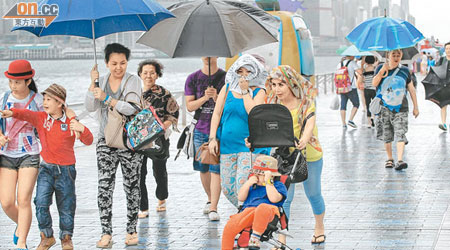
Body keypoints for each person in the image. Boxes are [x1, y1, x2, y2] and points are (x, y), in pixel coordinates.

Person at [1, 84, 93, 250]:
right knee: (41, 202)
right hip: (46, 169)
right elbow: (26, 114)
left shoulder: (71, 122)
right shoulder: (42, 118)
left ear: (59, 103)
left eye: (48, 99)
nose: (44, 102)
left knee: (66, 206)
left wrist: (82, 129)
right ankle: (46, 237)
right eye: (43, 99)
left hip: (66, 171)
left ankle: (66, 238)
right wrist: (12, 113)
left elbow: (88, 140)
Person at [85, 43, 143, 247]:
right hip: (105, 141)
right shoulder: (100, 81)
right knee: (104, 186)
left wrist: (108, 99)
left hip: (130, 142)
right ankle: (106, 232)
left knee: (132, 186)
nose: (119, 67)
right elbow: (90, 106)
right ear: (106, 63)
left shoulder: (133, 80)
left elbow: (132, 109)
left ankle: (131, 229)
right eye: (114, 63)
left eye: (123, 63)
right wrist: (93, 83)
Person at [265, 65, 326, 245]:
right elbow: (265, 128)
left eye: (281, 85)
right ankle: (282, 239)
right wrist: (253, 140)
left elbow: (309, 122)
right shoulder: (274, 105)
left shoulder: (306, 102)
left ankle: (319, 227)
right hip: (283, 158)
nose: (277, 89)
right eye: (274, 84)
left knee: (313, 194)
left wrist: (304, 139)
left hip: (309, 155)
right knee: (285, 198)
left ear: (291, 84)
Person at [208, 54, 269, 208]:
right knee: (228, 189)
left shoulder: (259, 91)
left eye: (247, 71)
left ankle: (245, 218)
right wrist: (212, 138)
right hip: (227, 146)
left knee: (242, 186)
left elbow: (253, 112)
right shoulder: (227, 87)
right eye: (240, 71)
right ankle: (246, 211)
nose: (243, 75)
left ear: (255, 72)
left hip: (249, 147)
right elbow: (216, 113)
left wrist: (245, 91)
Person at [0, 60, 43, 250]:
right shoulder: (3, 98)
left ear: (28, 81)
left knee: (23, 199)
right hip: (6, 155)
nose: (13, 86)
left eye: (17, 82)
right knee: (7, 202)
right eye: (10, 81)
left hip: (30, 153)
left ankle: (22, 243)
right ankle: (22, 226)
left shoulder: (39, 100)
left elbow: (45, 125)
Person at [184, 57, 226, 221]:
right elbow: (189, 106)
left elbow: (227, 105)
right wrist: (204, 97)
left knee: (216, 169)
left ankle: (214, 206)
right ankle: (210, 199)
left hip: (219, 130)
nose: (208, 56)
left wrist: (216, 97)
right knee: (203, 168)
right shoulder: (193, 78)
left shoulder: (225, 77)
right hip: (200, 128)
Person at [137, 60, 179, 218]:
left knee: (159, 171)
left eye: (152, 73)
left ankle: (161, 198)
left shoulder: (164, 93)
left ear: (157, 75)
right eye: (145, 72)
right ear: (140, 74)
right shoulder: (134, 93)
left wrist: (163, 126)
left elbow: (174, 113)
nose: (148, 76)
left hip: (159, 138)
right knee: (139, 173)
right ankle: (143, 208)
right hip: (139, 140)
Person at [221, 155, 287, 250]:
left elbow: (274, 199)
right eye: (254, 173)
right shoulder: (253, 186)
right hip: (248, 213)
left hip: (268, 213)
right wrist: (248, 183)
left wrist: (268, 182)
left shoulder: (278, 185)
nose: (255, 176)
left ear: (270, 175)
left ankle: (255, 238)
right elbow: (241, 198)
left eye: (259, 174)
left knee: (262, 207)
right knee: (230, 225)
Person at [373, 49, 419, 170]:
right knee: (387, 134)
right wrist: (382, 72)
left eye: (399, 55)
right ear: (388, 55)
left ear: (402, 56)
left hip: (401, 108)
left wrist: (416, 106)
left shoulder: (405, 71)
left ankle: (400, 160)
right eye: (394, 54)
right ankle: (389, 158)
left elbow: (411, 89)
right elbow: (374, 83)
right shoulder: (380, 68)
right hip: (384, 108)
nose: (396, 57)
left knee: (401, 133)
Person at [337, 56, 360, 128]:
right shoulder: (352, 63)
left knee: (343, 105)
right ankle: (350, 120)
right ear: (351, 56)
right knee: (356, 104)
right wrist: (359, 65)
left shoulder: (339, 64)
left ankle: (343, 124)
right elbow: (360, 72)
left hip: (341, 88)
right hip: (351, 88)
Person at [358, 56, 377, 127]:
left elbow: (362, 80)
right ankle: (374, 118)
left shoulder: (364, 70)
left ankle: (369, 123)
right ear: (373, 61)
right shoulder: (375, 69)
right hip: (374, 89)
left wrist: (362, 65)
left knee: (368, 105)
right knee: (375, 105)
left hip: (366, 89)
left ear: (366, 61)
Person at [435, 42, 450, 131]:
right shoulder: (441, 60)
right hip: (444, 85)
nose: (448, 50)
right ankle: (443, 123)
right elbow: (436, 71)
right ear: (445, 50)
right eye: (447, 49)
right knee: (443, 105)